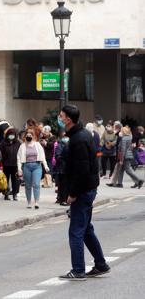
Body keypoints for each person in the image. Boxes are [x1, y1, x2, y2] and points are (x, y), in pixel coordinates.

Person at [57, 104, 109, 280]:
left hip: (82, 191)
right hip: (89, 188)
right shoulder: (83, 135)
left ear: (69, 119)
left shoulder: (78, 139)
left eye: (61, 116)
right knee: (86, 229)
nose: (60, 118)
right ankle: (101, 264)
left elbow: (81, 170)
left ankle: (78, 270)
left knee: (76, 231)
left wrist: (72, 193)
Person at [17, 128, 49, 209]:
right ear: (25, 136)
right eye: (27, 135)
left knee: (36, 184)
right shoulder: (22, 146)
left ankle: (36, 202)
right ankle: (28, 202)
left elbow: (42, 156)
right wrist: (19, 169)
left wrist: (45, 166)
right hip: (26, 166)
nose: (29, 136)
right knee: (28, 185)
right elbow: (19, 158)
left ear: (33, 136)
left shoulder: (37, 145)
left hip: (37, 166)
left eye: (30, 135)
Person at [0, 127, 20, 201]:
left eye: (13, 134)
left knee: (15, 180)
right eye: (10, 134)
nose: (11, 136)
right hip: (6, 164)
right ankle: (6, 194)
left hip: (15, 164)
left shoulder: (18, 143)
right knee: (6, 180)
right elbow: (0, 153)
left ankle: (15, 194)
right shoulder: (3, 143)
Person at [53, 129, 69, 206]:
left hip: (68, 168)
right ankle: (63, 199)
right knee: (63, 185)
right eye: (65, 136)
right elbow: (57, 156)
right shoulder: (60, 145)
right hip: (62, 169)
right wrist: (64, 160)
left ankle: (63, 198)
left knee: (66, 185)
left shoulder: (70, 144)